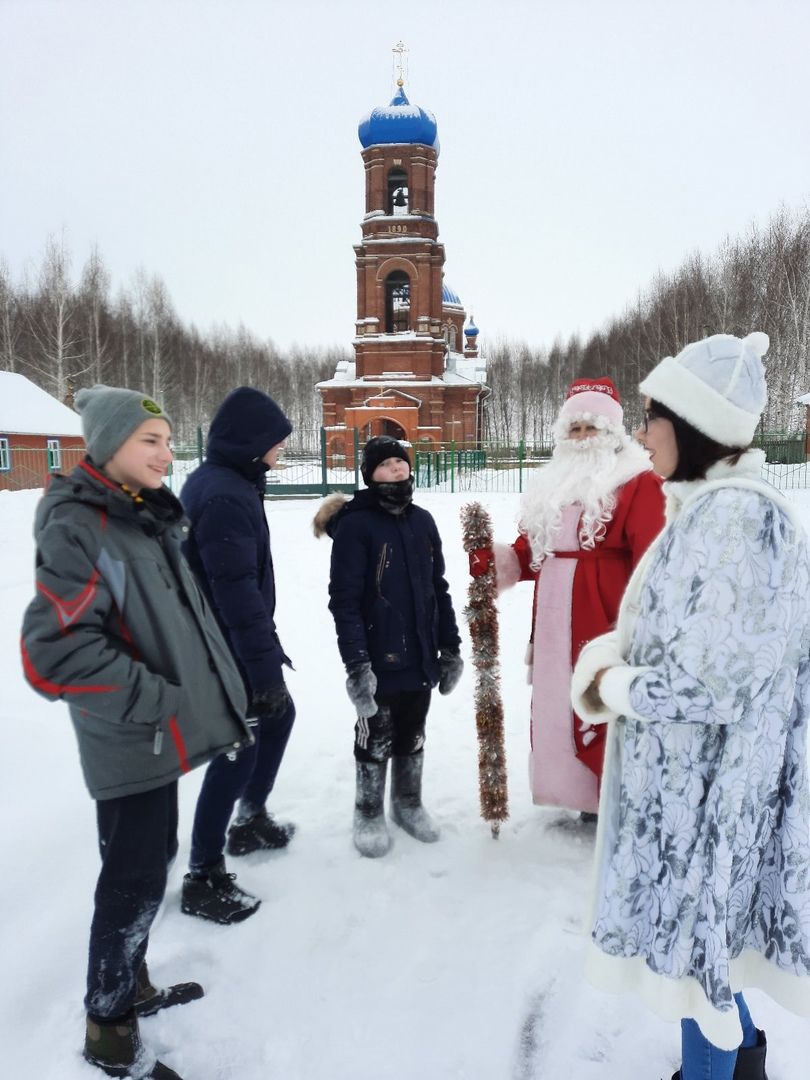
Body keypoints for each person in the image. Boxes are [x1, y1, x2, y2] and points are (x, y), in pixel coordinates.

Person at [571, 333, 810, 1080]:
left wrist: (610, 682)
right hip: (699, 788)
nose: (641, 435)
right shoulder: (712, 508)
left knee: (697, 958)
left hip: (712, 793)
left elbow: (710, 687)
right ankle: (738, 1066)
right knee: (699, 954)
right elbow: (694, 635)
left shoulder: (737, 520)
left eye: (651, 417)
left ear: (695, 424)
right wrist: (620, 650)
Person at [20, 385, 253, 1080]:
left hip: (152, 734)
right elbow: (51, 650)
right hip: (130, 735)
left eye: (168, 438)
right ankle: (109, 1028)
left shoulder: (141, 518)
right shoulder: (81, 526)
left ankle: (135, 985)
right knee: (133, 881)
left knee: (146, 865)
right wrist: (151, 699)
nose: (166, 451)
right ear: (108, 444)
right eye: (150, 439)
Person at [469, 377, 664, 813]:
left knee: (598, 694)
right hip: (554, 613)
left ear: (611, 432)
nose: (581, 439)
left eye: (590, 428)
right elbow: (531, 551)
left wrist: (643, 621)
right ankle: (572, 793)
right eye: (573, 430)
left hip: (606, 611)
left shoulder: (638, 481)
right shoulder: (551, 484)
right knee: (558, 698)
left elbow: (652, 557)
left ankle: (609, 796)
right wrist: (493, 562)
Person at [314, 435, 464, 857]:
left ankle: (407, 803)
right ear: (369, 474)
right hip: (379, 659)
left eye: (401, 462)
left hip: (420, 655)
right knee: (375, 736)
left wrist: (450, 648)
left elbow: (439, 589)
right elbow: (344, 602)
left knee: (412, 733)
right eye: (386, 464)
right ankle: (367, 811)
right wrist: (357, 666)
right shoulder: (357, 525)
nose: (397, 469)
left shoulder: (423, 521)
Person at [179, 386, 295, 926]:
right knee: (237, 747)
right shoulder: (225, 495)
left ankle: (250, 818)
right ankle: (202, 874)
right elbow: (235, 592)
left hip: (233, 638)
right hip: (222, 647)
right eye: (275, 442)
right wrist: (262, 668)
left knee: (278, 718)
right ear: (252, 442)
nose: (281, 451)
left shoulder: (231, 482)